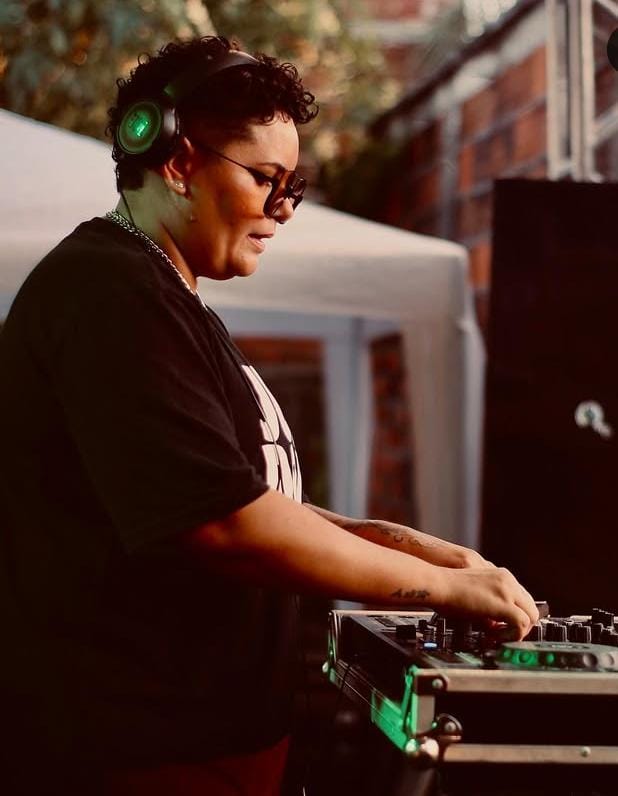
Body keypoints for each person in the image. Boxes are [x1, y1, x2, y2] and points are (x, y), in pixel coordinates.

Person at [0, 35, 538, 796]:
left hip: (208, 752)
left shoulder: (168, 299)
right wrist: (439, 589)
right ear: (178, 161)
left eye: (295, 185)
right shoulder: (108, 292)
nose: (283, 209)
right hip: (136, 758)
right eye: (265, 179)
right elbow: (225, 524)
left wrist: (430, 553)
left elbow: (257, 503)